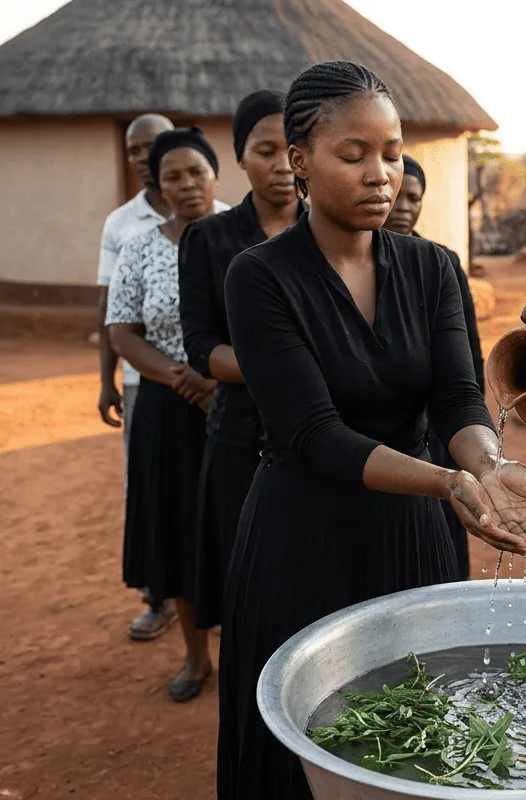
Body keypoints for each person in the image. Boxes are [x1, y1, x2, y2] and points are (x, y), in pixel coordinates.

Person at [217, 61, 526, 800]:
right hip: (302, 543)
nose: (381, 174)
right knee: (305, 758)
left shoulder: (433, 268)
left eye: (392, 151)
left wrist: (490, 464)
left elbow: (457, 399)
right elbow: (311, 433)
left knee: (417, 740)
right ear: (300, 160)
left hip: (413, 540)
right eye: (354, 155)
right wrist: (448, 483)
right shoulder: (260, 278)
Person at [96, 113, 228, 641]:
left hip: (234, 403)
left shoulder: (241, 240)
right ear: (158, 183)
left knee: (234, 523)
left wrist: (218, 384)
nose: (186, 184)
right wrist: (183, 379)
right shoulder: (138, 245)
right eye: (172, 176)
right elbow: (121, 331)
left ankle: (245, 642)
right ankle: (195, 655)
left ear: (215, 174)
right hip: (167, 407)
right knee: (177, 528)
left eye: (196, 172)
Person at [179, 89, 303, 641]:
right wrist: (282, 369)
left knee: (314, 577)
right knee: (245, 577)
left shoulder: (333, 234)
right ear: (239, 157)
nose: (280, 166)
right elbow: (202, 347)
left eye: (291, 149)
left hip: (324, 433)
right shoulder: (209, 238)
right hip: (240, 436)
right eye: (264, 150)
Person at [383, 154, 484, 576]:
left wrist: (477, 433)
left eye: (415, 197)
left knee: (437, 541)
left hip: (437, 429)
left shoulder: (440, 264)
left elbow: (468, 354)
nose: (405, 206)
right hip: (379, 436)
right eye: (399, 196)